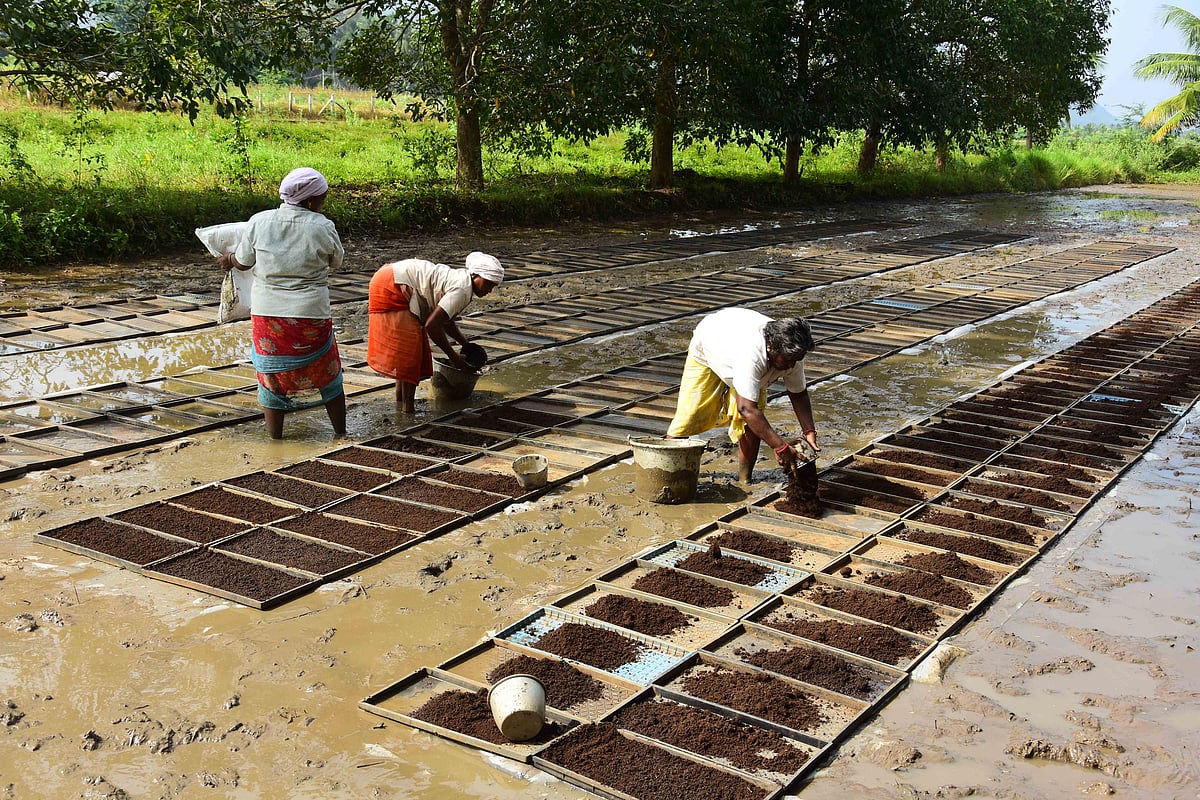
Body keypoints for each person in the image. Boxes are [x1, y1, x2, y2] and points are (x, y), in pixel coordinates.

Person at [216, 167, 347, 440]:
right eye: (322, 197)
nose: (323, 202)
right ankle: (340, 433)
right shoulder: (323, 226)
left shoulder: (259, 221)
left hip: (269, 315)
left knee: (271, 377)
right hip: (310, 314)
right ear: (310, 201)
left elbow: (243, 261)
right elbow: (336, 262)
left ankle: (276, 439)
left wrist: (228, 260)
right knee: (327, 372)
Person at [667, 307, 819, 483]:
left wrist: (809, 431)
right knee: (690, 415)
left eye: (797, 359)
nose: (792, 365)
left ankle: (745, 478)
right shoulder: (751, 356)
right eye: (788, 360)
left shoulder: (792, 355)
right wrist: (779, 447)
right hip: (710, 344)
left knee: (752, 426)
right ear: (771, 348)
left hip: (745, 356)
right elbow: (746, 409)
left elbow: (798, 395)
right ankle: (670, 474)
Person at [366, 252, 504, 413]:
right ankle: (407, 411)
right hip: (392, 285)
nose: (490, 290)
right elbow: (432, 326)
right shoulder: (462, 289)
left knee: (406, 354)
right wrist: (454, 357)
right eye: (488, 284)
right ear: (474, 275)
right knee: (411, 353)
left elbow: (446, 320)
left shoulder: (462, 281)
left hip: (389, 276)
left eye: (493, 286)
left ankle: (401, 403)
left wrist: (465, 344)